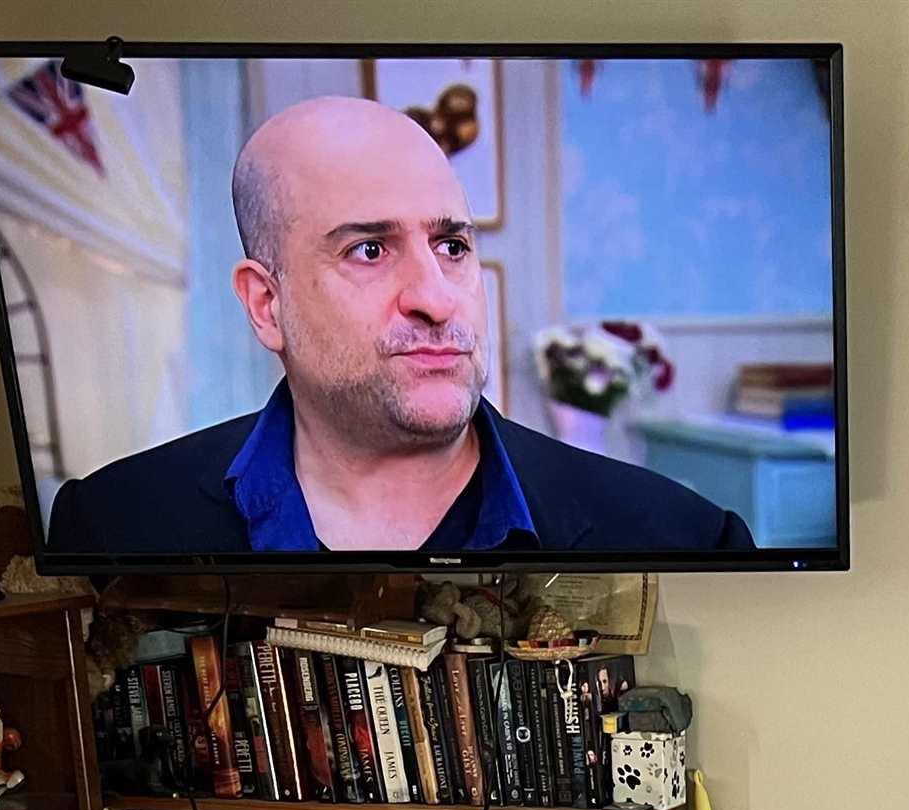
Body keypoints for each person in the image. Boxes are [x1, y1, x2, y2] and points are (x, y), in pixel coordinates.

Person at [47, 99, 751, 557]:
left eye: (452, 246)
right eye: (369, 250)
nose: (437, 299)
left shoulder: (681, 538)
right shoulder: (112, 528)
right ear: (266, 303)